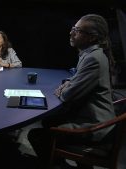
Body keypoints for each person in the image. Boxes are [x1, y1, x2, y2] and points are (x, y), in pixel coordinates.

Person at [27, 14, 116, 169]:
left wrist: (64, 88)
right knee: (49, 121)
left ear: (91, 38)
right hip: (93, 117)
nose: (71, 33)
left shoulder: (93, 59)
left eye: (77, 30)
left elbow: (67, 95)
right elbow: (73, 81)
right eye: (73, 28)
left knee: (36, 135)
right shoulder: (90, 54)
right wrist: (68, 84)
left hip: (96, 126)